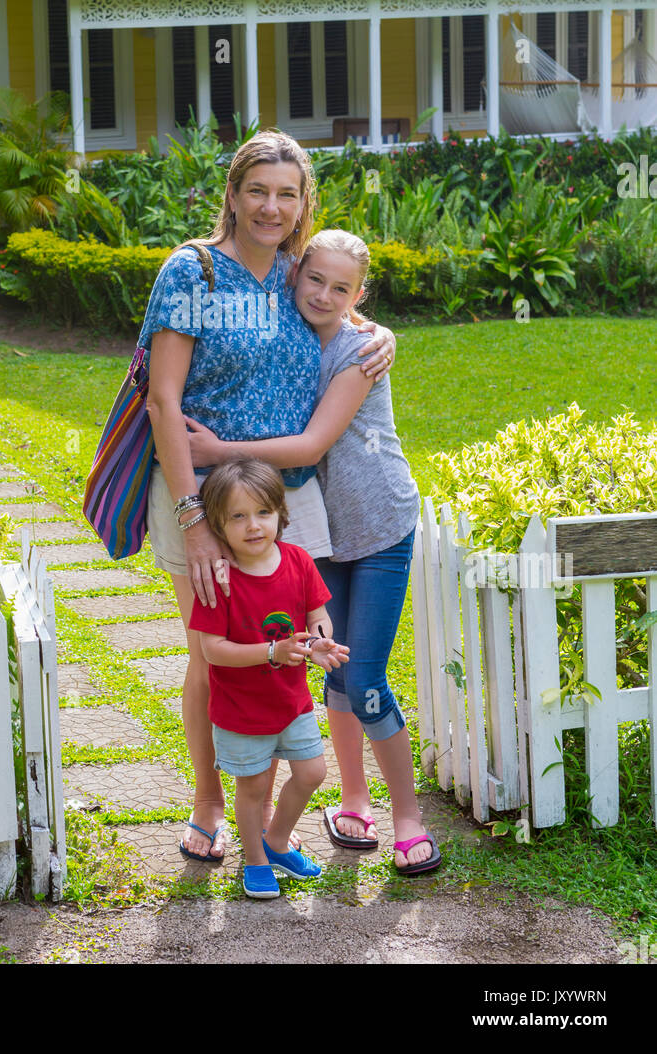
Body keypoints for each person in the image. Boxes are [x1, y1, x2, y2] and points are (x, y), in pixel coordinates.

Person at [139, 132, 396, 861]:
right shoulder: (193, 272)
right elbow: (163, 401)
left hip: (289, 501)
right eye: (259, 190)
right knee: (211, 655)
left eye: (287, 194)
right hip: (204, 497)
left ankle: (267, 816)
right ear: (233, 191)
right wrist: (193, 521)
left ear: (303, 203)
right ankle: (210, 802)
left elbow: (342, 309)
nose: (271, 207)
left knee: (289, 646)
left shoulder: (293, 275)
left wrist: (382, 335)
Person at [186, 229, 441, 875]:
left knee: (366, 676)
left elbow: (309, 446)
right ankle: (353, 801)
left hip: (379, 525)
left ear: (360, 296)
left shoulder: (361, 350)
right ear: (295, 274)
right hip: (320, 530)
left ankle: (407, 816)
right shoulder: (289, 337)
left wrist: (217, 456)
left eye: (342, 287)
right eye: (315, 280)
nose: (324, 294)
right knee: (333, 664)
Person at [188, 458, 350, 898]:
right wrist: (271, 652)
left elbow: (319, 617)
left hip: (291, 703)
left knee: (313, 772)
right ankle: (255, 861)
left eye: (262, 512)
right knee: (255, 786)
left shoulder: (297, 561)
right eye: (237, 517)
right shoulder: (220, 581)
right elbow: (211, 650)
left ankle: (276, 841)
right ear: (219, 527)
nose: (253, 525)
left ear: (281, 513)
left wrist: (320, 644)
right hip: (240, 710)